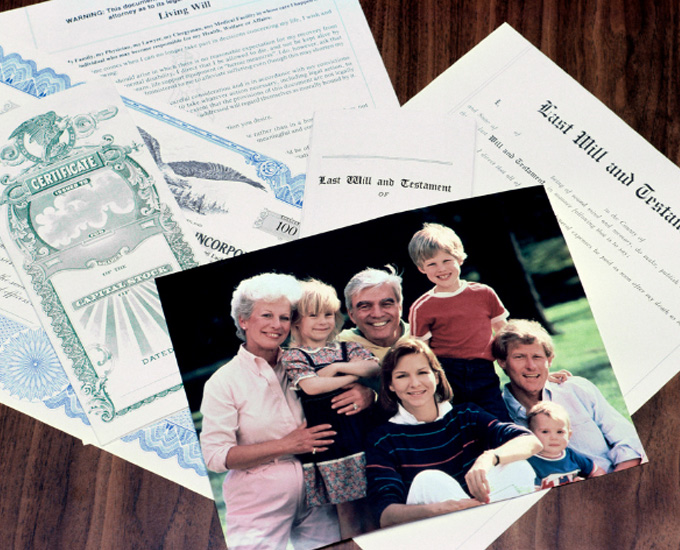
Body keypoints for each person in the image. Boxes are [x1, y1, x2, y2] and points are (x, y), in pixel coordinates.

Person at [199, 273, 374, 550]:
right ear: (243, 320)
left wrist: (367, 394)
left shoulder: (304, 360)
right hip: (258, 498)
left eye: (284, 317)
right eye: (266, 315)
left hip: (319, 485)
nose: (276, 325)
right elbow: (216, 456)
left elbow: (353, 386)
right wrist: (287, 444)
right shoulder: (223, 382)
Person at [365, 338, 542, 528]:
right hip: (434, 529)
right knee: (430, 480)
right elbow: (385, 515)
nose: (414, 383)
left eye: (422, 372)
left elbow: (531, 441)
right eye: (402, 376)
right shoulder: (383, 439)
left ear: (437, 376)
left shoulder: (466, 415)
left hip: (482, 515)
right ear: (390, 385)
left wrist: (488, 458)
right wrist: (441, 510)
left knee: (517, 466)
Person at [280, 279, 380, 537]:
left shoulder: (347, 348)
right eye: (313, 315)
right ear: (296, 321)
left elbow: (374, 367)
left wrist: (337, 368)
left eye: (328, 314)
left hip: (362, 436)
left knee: (371, 505)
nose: (323, 321)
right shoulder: (295, 356)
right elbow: (312, 387)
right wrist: (351, 378)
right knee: (346, 510)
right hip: (332, 444)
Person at [493, 319, 645, 473]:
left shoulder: (576, 389)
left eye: (537, 357)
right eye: (519, 357)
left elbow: (630, 442)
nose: (531, 366)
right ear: (502, 362)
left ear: (549, 360)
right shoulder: (499, 415)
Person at [407, 222, 510, 421]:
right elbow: (421, 353)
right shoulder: (422, 307)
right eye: (431, 264)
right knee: (462, 428)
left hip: (484, 372)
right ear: (421, 268)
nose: (441, 269)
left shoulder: (484, 293)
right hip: (447, 375)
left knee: (499, 422)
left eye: (447, 260)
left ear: (460, 258)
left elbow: (505, 334)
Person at [337, 266, 410, 361]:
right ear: (351, 315)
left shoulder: (424, 335)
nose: (377, 314)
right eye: (365, 306)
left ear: (400, 307)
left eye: (386, 304)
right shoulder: (339, 346)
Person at [526, 401, 605, 489]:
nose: (553, 437)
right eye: (545, 432)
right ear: (531, 435)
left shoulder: (572, 456)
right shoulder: (531, 463)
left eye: (560, 432)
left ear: (569, 435)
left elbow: (597, 471)